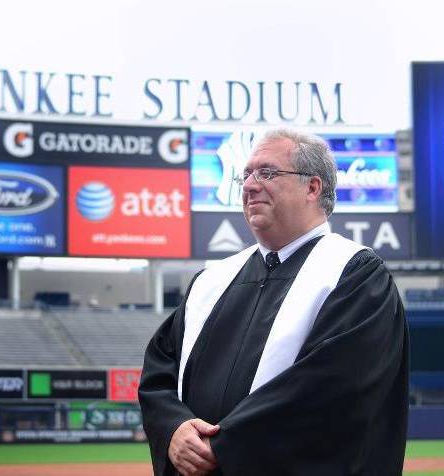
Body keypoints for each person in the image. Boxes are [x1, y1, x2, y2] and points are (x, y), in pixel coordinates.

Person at [139, 128, 409, 475]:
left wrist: (221, 447)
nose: (249, 185)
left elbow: (333, 388)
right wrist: (174, 428)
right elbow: (160, 370)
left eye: (267, 173)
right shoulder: (212, 280)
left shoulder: (353, 274)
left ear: (313, 187)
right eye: (246, 174)